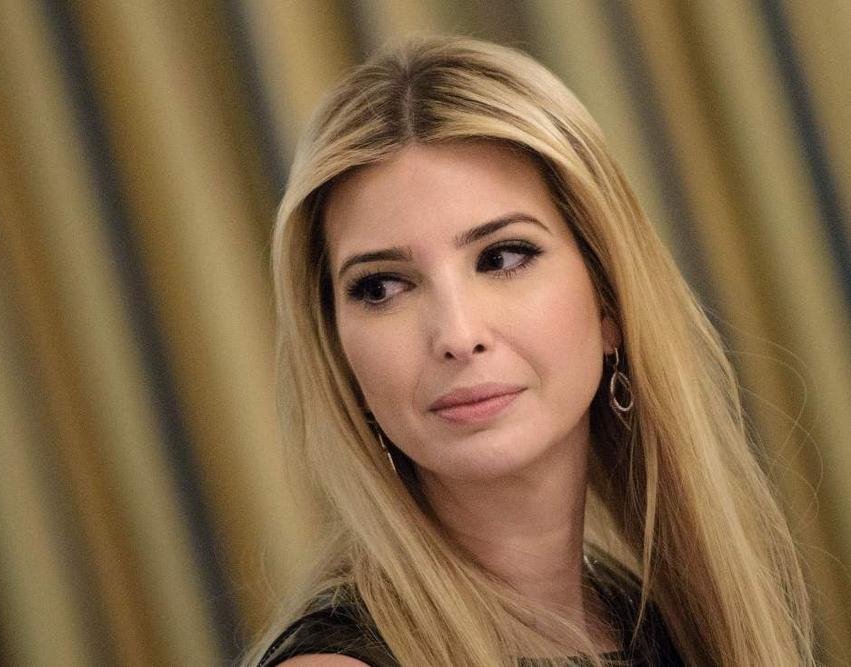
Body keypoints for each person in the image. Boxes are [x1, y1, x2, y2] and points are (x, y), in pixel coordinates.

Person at [248, 34, 814, 666]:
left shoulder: (657, 622)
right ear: (337, 352)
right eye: (382, 287)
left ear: (608, 300)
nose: (457, 335)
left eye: (502, 257)